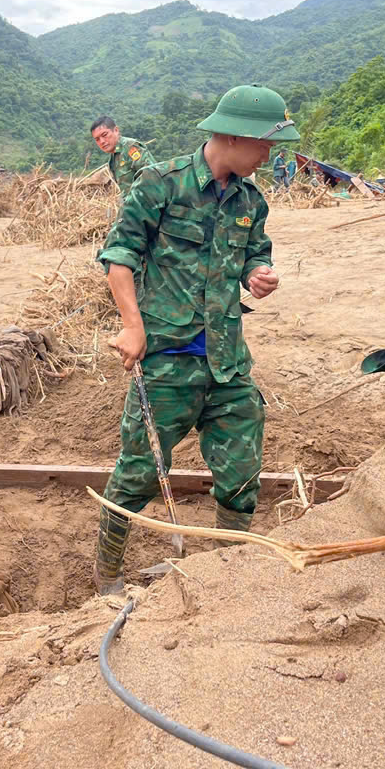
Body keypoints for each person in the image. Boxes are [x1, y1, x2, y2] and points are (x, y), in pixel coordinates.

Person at [92, 84, 298, 593]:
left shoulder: (251, 200)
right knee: (139, 472)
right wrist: (133, 327)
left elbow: (255, 252)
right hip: (166, 361)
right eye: (265, 145)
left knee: (242, 470)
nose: (269, 156)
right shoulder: (160, 184)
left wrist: (259, 273)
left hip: (227, 362)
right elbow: (119, 257)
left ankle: (229, 569)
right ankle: (107, 577)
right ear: (231, 136)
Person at [91, 116, 152, 197]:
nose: (102, 141)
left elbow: (151, 178)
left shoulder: (131, 147)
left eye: (104, 135)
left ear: (116, 130)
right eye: (97, 139)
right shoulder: (113, 159)